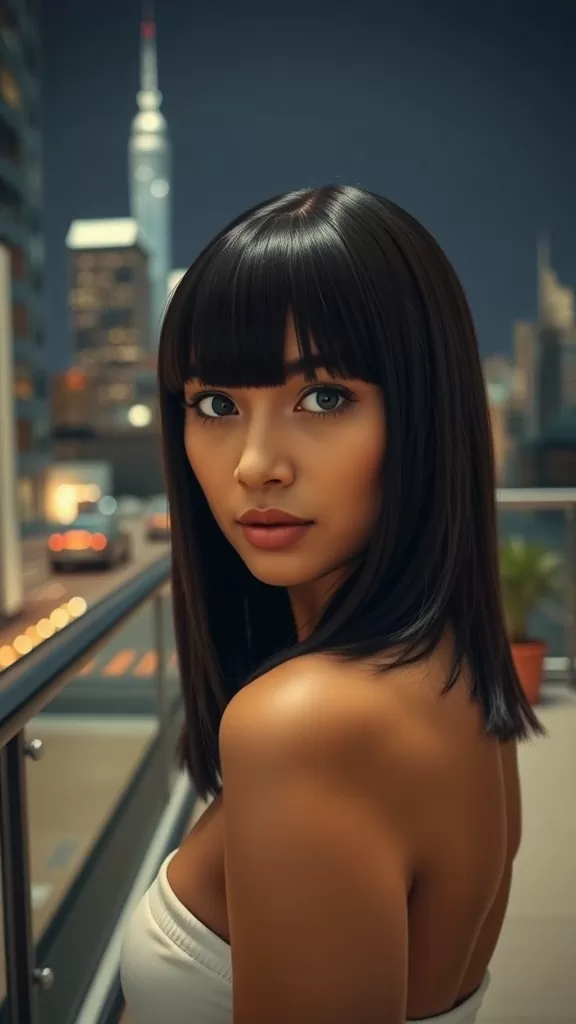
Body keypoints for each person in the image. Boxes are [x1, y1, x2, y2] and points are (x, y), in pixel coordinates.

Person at [120, 184, 544, 1024]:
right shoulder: (452, 665)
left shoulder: (306, 725)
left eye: (322, 398)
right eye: (215, 405)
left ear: (424, 413)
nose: (255, 464)